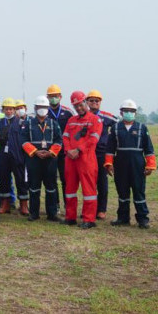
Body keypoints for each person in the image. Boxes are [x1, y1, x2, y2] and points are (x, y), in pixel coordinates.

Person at [104, 99, 156, 229]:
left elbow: (149, 149)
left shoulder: (142, 128)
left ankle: (143, 219)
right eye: (126, 111)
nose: (128, 113)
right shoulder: (115, 128)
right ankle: (123, 218)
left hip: (137, 164)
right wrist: (109, 164)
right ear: (121, 113)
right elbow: (110, 149)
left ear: (135, 113)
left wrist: (150, 166)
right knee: (122, 192)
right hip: (120, 164)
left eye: (131, 111)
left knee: (139, 192)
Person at [62, 91, 103, 229]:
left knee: (89, 190)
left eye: (80, 105)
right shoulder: (71, 120)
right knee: (70, 189)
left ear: (85, 102)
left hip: (86, 159)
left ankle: (89, 219)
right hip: (70, 159)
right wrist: (68, 151)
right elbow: (65, 137)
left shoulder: (95, 120)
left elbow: (93, 139)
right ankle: (70, 217)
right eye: (76, 106)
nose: (78, 108)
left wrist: (78, 150)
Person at [20, 96, 62, 222]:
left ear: (48, 108)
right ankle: (34, 213)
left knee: (51, 187)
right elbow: (23, 140)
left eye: (44, 107)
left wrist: (50, 152)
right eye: (40, 107)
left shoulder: (54, 124)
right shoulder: (28, 123)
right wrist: (35, 151)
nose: (42, 109)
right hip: (34, 159)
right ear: (35, 108)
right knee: (34, 187)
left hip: (50, 160)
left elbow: (59, 140)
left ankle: (52, 214)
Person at [0, 98, 28, 215]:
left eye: (11, 109)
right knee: (4, 179)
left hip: (17, 153)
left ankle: (23, 205)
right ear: (3, 110)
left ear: (14, 110)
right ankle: (5, 205)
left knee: (20, 179)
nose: (9, 111)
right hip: (3, 153)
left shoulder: (20, 122)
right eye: (6, 109)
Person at [86, 89, 117, 220]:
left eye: (96, 101)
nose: (94, 103)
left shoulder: (106, 116)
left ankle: (101, 209)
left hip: (101, 153)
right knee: (88, 182)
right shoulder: (83, 116)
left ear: (100, 102)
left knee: (102, 182)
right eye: (91, 100)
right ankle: (90, 209)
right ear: (87, 102)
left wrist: (109, 138)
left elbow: (118, 126)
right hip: (87, 152)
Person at [46, 84, 74, 209]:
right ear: (47, 98)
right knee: (51, 179)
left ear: (60, 97)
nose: (53, 99)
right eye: (51, 96)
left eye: (55, 96)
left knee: (65, 179)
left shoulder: (68, 112)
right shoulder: (44, 112)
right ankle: (55, 205)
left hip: (64, 152)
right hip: (50, 151)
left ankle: (68, 205)